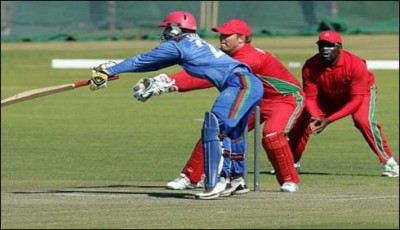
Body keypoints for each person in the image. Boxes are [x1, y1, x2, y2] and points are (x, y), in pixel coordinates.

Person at [90, 11, 264, 200]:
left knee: (215, 128)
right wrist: (111, 70)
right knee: (234, 134)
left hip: (239, 84)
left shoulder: (178, 44)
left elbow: (142, 60)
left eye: (167, 28)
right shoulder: (191, 42)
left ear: (175, 28)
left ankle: (216, 183)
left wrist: (107, 70)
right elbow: (153, 65)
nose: (164, 33)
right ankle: (236, 180)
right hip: (248, 84)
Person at [135, 19, 306, 193]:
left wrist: (169, 83)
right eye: (221, 34)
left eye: (226, 35)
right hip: (254, 98)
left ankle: (289, 181)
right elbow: (202, 69)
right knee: (216, 130)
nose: (221, 38)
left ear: (241, 39)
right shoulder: (226, 56)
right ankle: (190, 177)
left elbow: (210, 76)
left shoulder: (250, 57)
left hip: (285, 99)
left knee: (272, 135)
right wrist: (165, 82)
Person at [289, 30, 399, 177]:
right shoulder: (310, 66)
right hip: (329, 94)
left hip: (361, 93)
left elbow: (356, 101)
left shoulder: (355, 64)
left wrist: (328, 120)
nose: (325, 49)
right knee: (303, 119)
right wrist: (316, 116)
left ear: (339, 48)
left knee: (363, 120)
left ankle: (390, 163)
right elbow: (310, 97)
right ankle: (291, 163)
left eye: (330, 46)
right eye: (321, 45)